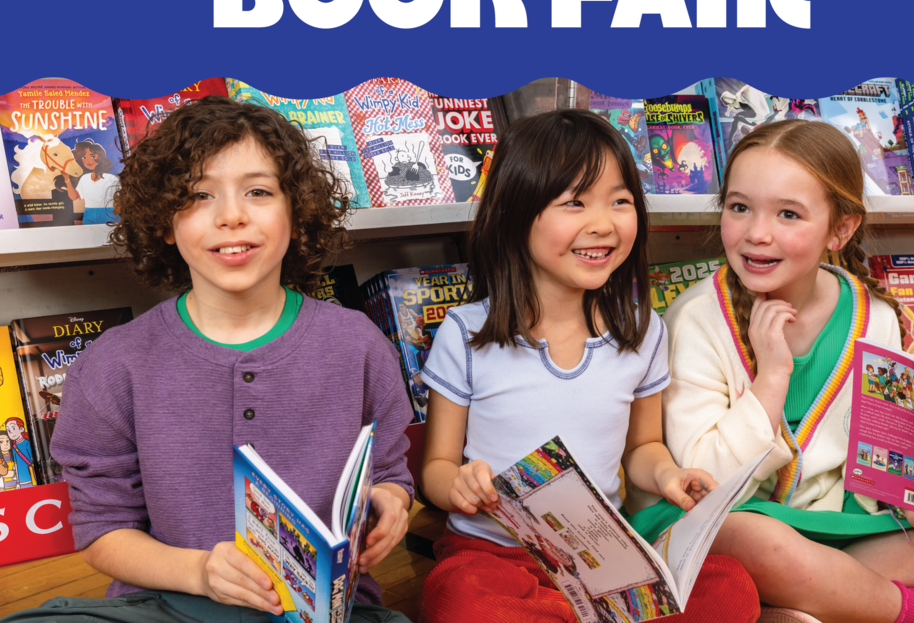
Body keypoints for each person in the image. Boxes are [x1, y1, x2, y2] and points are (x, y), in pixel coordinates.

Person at [3, 96, 414, 623]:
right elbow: (103, 532)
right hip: (168, 604)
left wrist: (390, 505)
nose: (232, 216)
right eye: (198, 195)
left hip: (326, 609)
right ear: (165, 225)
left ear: (297, 212)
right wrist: (199, 572)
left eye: (259, 191)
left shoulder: (357, 344)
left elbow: (389, 476)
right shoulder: (113, 365)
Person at [653, 119, 914, 623]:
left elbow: (882, 460)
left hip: (836, 522)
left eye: (788, 214)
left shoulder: (875, 315)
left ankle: (822, 593)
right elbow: (705, 483)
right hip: (736, 521)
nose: (757, 233)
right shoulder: (696, 319)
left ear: (840, 229)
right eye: (739, 208)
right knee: (757, 541)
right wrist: (772, 378)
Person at [418, 109, 761, 623]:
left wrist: (667, 474)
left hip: (602, 560)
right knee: (461, 599)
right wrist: (459, 486)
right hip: (494, 556)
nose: (603, 223)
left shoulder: (642, 330)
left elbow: (642, 446)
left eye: (620, 201)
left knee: (730, 588)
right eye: (575, 202)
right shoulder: (466, 333)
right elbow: (436, 469)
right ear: (516, 215)